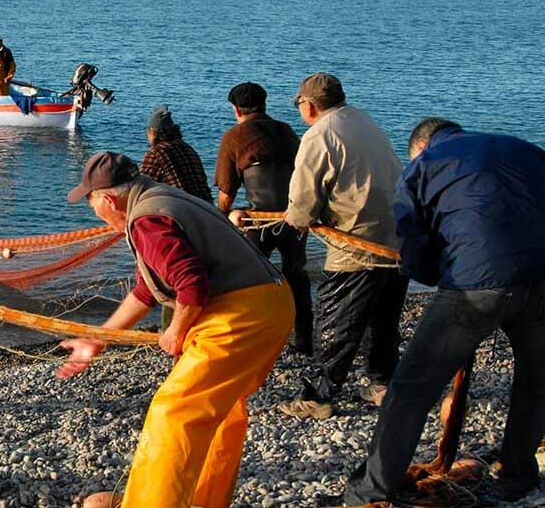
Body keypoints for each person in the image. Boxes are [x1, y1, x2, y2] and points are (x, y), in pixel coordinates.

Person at [57, 152, 294, 508]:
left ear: (109, 200)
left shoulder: (147, 220)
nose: (96, 214)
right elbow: (147, 289)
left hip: (241, 315)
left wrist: (177, 330)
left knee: (174, 410)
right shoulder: (158, 198)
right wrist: (96, 340)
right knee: (221, 405)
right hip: (272, 304)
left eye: (92, 204)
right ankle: (205, 503)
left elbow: (191, 284)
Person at [342, 119, 545, 504]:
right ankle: (518, 474)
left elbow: (415, 253)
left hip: (480, 281)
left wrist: (445, 275)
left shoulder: (422, 166)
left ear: (419, 146)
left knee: (411, 388)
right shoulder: (528, 151)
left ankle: (372, 489)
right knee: (536, 379)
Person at [277, 72, 407, 420]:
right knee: (383, 319)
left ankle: (318, 397)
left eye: (299, 103)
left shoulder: (319, 135)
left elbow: (302, 207)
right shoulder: (364, 120)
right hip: (397, 238)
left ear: (309, 104)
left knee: (336, 323)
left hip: (357, 243)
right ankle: (382, 384)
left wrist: (295, 219)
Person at [215, 81, 313, 354]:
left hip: (258, 220)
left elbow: (226, 193)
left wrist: (219, 221)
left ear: (236, 110)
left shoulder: (234, 137)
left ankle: (251, 338)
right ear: (264, 105)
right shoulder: (286, 131)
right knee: (296, 274)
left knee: (248, 280)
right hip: (293, 218)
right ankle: (304, 340)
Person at [140, 104, 212, 203]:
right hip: (207, 207)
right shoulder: (187, 148)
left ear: (152, 132)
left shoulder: (156, 153)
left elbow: (142, 188)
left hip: (181, 209)